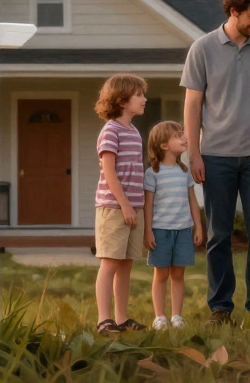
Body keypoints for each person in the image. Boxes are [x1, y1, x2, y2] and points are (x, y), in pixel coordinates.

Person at [181, 0, 250, 327]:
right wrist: (194, 155)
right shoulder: (202, 48)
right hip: (215, 156)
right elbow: (193, 104)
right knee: (219, 236)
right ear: (234, 12)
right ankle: (220, 308)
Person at [92, 73, 149, 335]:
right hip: (114, 208)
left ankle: (122, 318)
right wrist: (124, 204)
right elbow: (110, 172)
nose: (144, 99)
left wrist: (135, 206)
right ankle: (104, 320)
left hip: (132, 207)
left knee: (126, 263)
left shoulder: (134, 132)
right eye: (139, 95)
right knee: (110, 263)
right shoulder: (110, 131)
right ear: (122, 100)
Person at [143, 121, 204, 330]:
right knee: (160, 275)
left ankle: (177, 316)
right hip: (160, 232)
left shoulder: (184, 171)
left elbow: (192, 200)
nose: (184, 138)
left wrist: (198, 226)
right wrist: (148, 230)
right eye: (178, 135)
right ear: (164, 145)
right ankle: (159, 317)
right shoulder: (152, 174)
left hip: (183, 231)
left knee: (178, 275)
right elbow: (148, 205)